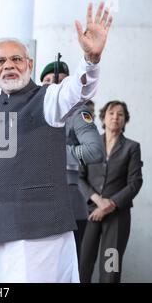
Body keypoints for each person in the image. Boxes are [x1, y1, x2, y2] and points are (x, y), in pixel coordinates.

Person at [0, 2, 113, 283]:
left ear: (30, 64)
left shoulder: (48, 98)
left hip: (38, 236)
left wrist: (90, 60)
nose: (9, 66)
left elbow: (77, 90)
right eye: (2, 62)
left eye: (17, 59)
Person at [41, 62, 105, 261]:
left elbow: (95, 151)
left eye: (59, 81)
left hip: (68, 197)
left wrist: (53, 152)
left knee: (70, 266)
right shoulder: (29, 111)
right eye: (47, 81)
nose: (53, 85)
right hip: (34, 201)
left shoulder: (78, 111)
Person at [79, 101, 143, 283]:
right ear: (103, 118)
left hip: (117, 217)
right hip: (90, 214)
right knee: (82, 264)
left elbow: (135, 182)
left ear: (125, 120)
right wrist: (98, 201)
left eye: (120, 114)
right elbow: (80, 177)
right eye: (111, 113)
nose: (115, 117)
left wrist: (110, 204)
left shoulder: (132, 148)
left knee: (110, 269)